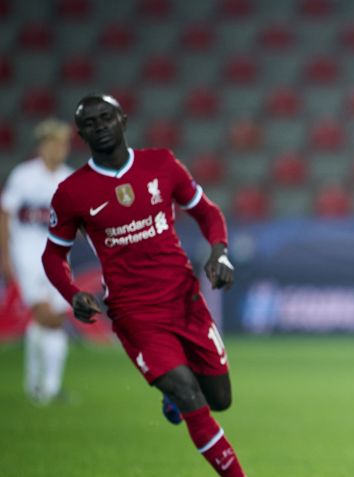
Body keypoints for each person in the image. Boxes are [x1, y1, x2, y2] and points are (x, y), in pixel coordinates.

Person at [42, 94, 246, 476]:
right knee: (189, 394)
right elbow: (53, 256)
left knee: (220, 399)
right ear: (81, 134)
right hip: (135, 314)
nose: (100, 126)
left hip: (185, 302)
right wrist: (73, 294)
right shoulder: (72, 192)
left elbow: (207, 212)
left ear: (122, 120)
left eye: (106, 117)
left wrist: (220, 252)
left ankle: (173, 400)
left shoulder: (162, 164)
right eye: (90, 123)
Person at [1, 119, 74, 404]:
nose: (58, 149)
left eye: (62, 144)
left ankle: (37, 386)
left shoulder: (69, 179)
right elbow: (5, 214)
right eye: (53, 143)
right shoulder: (24, 175)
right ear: (42, 146)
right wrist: (5, 256)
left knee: (51, 320)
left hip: (58, 257)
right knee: (47, 316)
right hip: (28, 256)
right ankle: (50, 389)